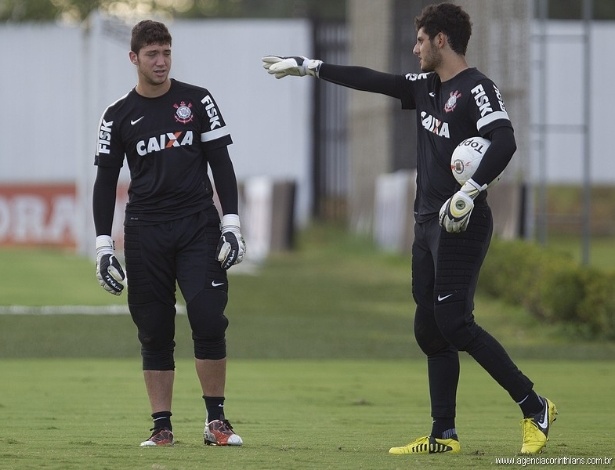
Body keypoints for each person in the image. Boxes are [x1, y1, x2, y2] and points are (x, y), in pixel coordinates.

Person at [262, 2, 556, 456]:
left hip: (462, 221)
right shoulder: (425, 86)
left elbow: (506, 139)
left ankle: (534, 404)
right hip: (426, 223)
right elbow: (374, 80)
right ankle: (444, 435)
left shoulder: (478, 88)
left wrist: (471, 190)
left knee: (456, 323)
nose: (414, 47)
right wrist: (311, 67)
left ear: (441, 39)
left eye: (421, 39)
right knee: (430, 329)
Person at [93, 19, 245, 447]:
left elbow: (222, 163)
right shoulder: (117, 114)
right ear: (134, 58)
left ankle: (216, 422)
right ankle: (162, 426)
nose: (161, 62)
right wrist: (104, 246)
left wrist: (231, 223)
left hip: (198, 226)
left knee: (209, 318)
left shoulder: (197, 101)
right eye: (152, 54)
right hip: (145, 233)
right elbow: (105, 182)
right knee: (155, 331)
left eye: (166, 53)